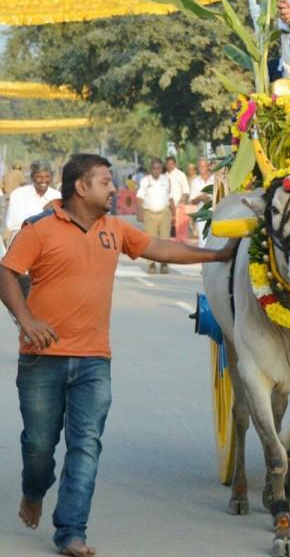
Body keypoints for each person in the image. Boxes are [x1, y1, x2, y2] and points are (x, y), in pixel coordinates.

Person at [0, 153, 237, 557]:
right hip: (42, 359)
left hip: (94, 360)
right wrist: (27, 320)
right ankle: (34, 491)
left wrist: (215, 256)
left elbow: (159, 248)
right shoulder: (39, 229)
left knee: (86, 445)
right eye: (105, 182)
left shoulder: (114, 229)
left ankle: (71, 532)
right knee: (39, 447)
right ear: (81, 187)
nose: (113, 189)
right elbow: (6, 272)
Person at [5, 160, 62, 241]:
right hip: (23, 241)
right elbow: (12, 224)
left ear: (51, 177)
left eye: (47, 177)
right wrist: (44, 214)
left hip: (49, 243)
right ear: (32, 177)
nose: (43, 180)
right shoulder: (18, 195)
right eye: (39, 177)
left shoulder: (57, 196)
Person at [135, 158, 175, 273]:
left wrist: (174, 213)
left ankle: (164, 263)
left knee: (165, 240)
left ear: (161, 169)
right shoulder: (145, 181)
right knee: (150, 241)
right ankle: (151, 264)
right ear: (150, 169)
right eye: (154, 168)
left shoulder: (166, 180)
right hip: (149, 213)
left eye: (158, 168)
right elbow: (139, 198)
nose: (156, 170)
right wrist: (139, 213)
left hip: (164, 213)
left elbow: (170, 197)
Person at [189, 157, 215, 247]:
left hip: (215, 212)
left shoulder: (215, 179)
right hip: (202, 214)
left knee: (215, 237)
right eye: (200, 166)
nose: (202, 168)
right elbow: (192, 201)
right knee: (203, 239)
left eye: (204, 166)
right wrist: (200, 198)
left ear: (208, 166)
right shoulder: (195, 182)